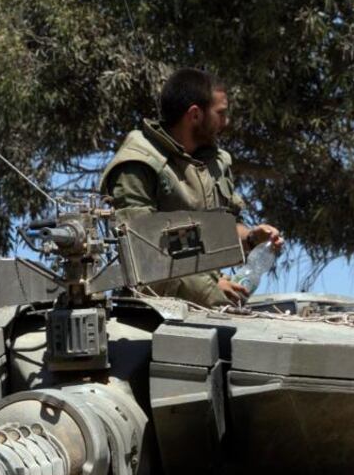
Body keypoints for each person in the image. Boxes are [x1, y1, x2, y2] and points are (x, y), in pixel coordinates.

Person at [99, 67, 283, 307]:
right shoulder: (139, 164)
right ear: (195, 114)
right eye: (221, 113)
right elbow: (141, 249)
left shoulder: (213, 163)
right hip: (150, 313)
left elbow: (217, 230)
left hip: (205, 307)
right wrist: (210, 289)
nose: (226, 122)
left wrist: (250, 239)